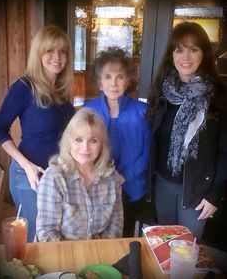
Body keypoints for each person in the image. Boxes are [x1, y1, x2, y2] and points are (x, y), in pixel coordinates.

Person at [0, 25, 75, 242]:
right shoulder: (24, 87)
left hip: (56, 176)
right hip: (30, 177)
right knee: (34, 241)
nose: (57, 57)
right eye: (50, 50)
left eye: (62, 51)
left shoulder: (61, 92)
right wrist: (26, 166)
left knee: (53, 237)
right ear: (38, 53)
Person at [146, 21, 227, 241]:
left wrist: (216, 195)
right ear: (171, 54)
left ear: (204, 54)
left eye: (193, 49)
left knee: (186, 251)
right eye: (179, 49)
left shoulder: (218, 97)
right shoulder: (162, 92)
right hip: (162, 185)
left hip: (198, 191)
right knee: (164, 246)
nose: (186, 57)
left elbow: (225, 152)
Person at [84, 47, 151, 237]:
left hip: (131, 187)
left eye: (119, 77)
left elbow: (147, 153)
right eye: (107, 77)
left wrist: (124, 176)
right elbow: (82, 150)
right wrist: (102, 174)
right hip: (97, 186)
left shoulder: (143, 111)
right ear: (99, 82)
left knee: (126, 236)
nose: (113, 83)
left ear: (128, 80)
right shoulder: (89, 110)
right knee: (97, 236)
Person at [36, 108, 123, 241]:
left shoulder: (112, 178)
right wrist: (78, 256)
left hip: (98, 255)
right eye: (78, 140)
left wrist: (100, 255)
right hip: (62, 254)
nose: (85, 148)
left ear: (102, 145)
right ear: (68, 142)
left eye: (93, 141)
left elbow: (115, 227)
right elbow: (46, 232)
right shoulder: (54, 177)